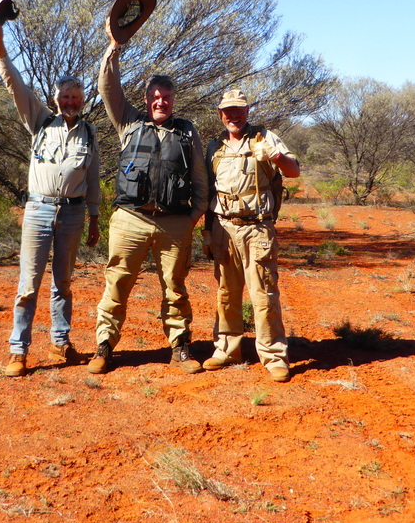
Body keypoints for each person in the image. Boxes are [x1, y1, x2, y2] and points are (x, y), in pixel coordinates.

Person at [0, 18, 100, 378]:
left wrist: (95, 218)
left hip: (73, 214)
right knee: (28, 284)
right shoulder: (39, 121)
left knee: (63, 282)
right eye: (65, 97)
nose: (70, 101)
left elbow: (93, 178)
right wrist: (0, 46)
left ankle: (61, 340)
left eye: (76, 98)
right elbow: (14, 85)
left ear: (83, 102)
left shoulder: (89, 132)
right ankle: (18, 350)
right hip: (37, 210)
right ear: (56, 99)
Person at [87, 38, 207, 375]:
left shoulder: (186, 131)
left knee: (175, 287)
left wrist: (194, 217)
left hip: (174, 223)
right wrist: (112, 49)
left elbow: (200, 178)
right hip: (130, 219)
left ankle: (180, 348)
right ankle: (104, 347)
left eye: (166, 98)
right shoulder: (129, 122)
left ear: (173, 101)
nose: (161, 102)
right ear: (146, 100)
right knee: (117, 283)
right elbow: (107, 88)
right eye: (155, 97)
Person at [201, 89, 301, 382]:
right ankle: (226, 349)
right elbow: (209, 191)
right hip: (223, 227)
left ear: (248, 112)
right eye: (228, 111)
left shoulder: (265, 138)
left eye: (239, 110)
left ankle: (273, 355)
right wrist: (207, 231)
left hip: (257, 227)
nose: (234, 115)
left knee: (264, 293)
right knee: (226, 293)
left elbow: (294, 171)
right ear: (220, 114)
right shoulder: (213, 146)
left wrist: (276, 156)